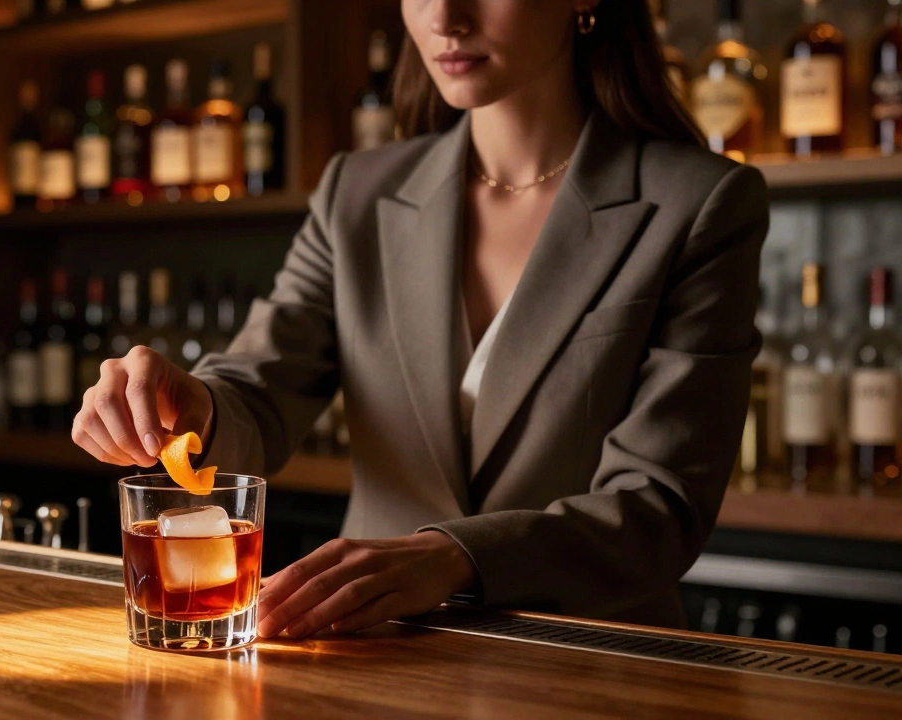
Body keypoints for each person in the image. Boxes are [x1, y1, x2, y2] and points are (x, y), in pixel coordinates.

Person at [72, 0, 768, 639]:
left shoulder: (700, 203)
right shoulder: (358, 192)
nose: (446, 17)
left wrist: (454, 558)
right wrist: (190, 405)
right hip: (373, 664)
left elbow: (660, 507)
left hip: (592, 667)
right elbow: (256, 393)